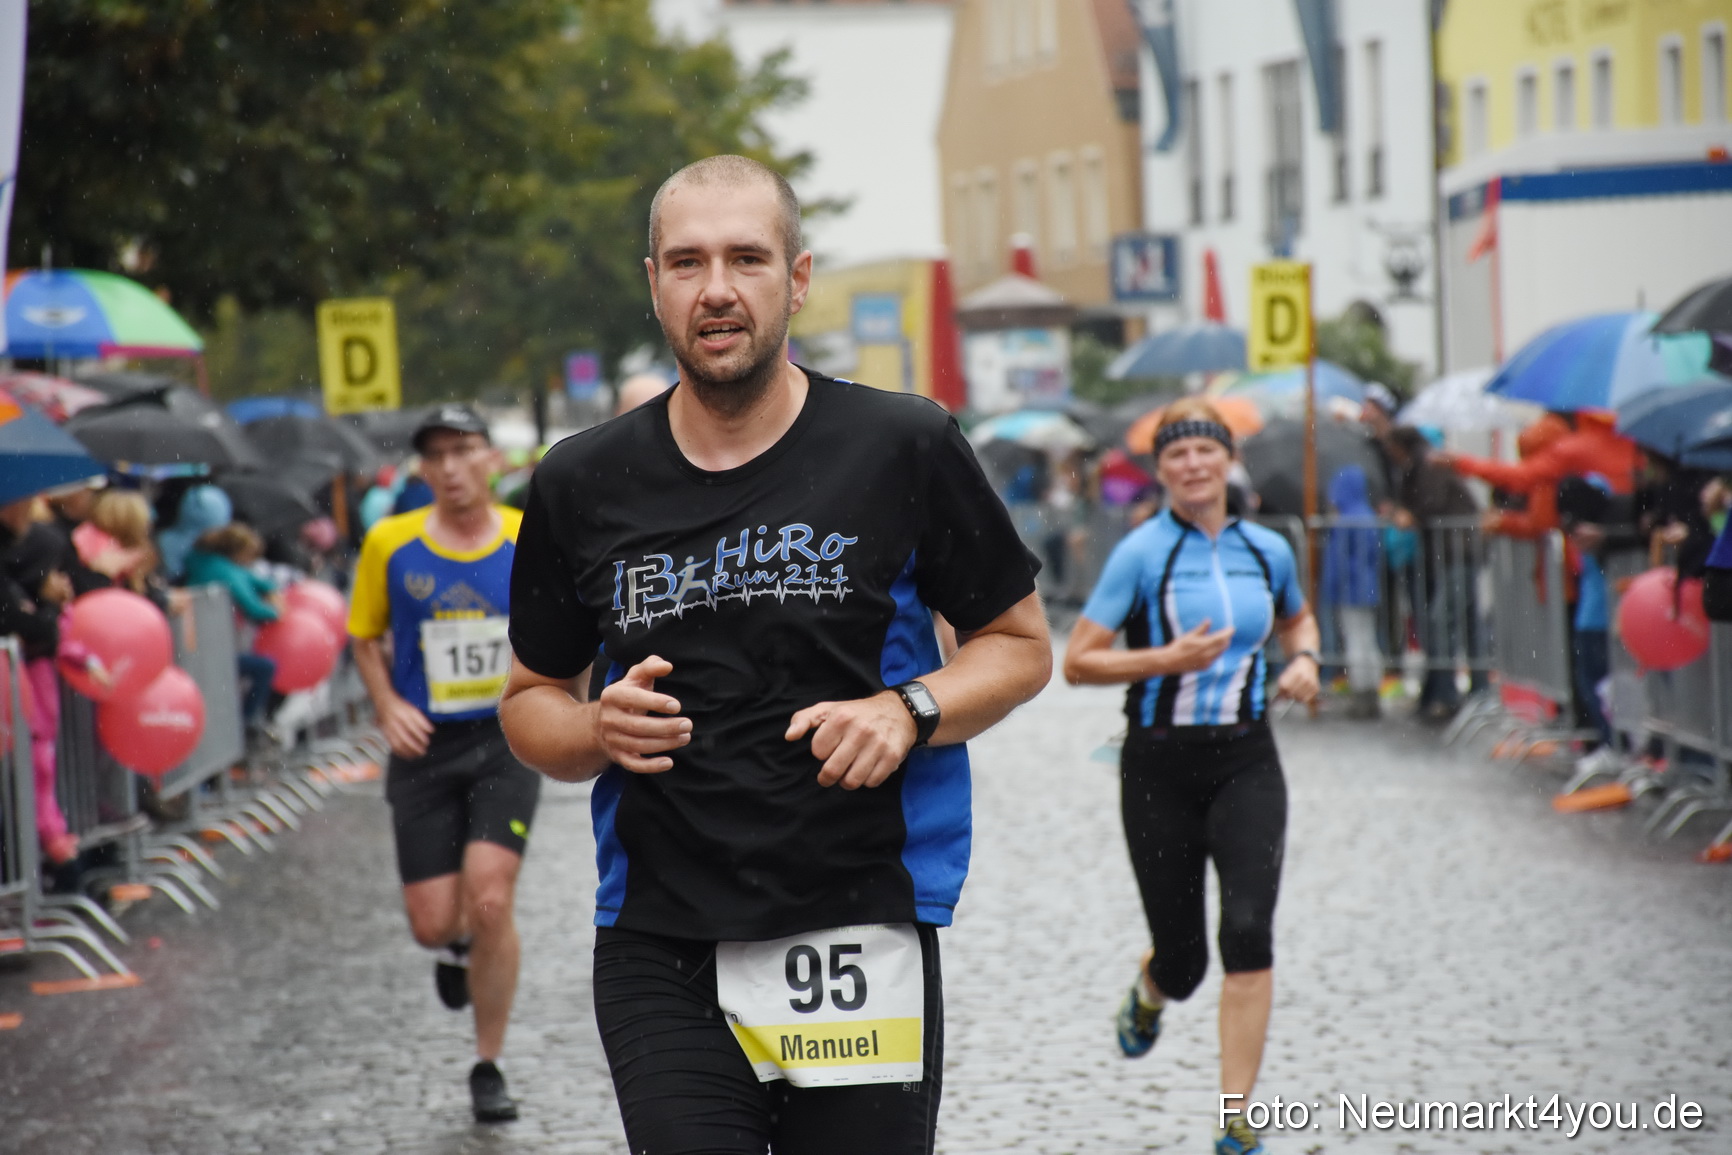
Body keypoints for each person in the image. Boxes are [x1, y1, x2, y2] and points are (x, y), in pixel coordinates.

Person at [498, 154, 1050, 1155]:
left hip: (858, 921)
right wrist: (592, 728)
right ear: (654, 284)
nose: (716, 288)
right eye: (687, 263)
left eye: (746, 259)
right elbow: (531, 699)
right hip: (661, 934)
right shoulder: (581, 479)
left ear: (796, 279)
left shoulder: (902, 443)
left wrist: (908, 711)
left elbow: (1016, 646)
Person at [1062, 398, 1321, 1155]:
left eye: (1207, 450)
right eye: (1178, 454)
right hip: (1158, 766)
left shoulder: (1267, 548)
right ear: (1162, 470)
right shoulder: (1141, 553)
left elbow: (1297, 618)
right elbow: (1079, 660)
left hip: (1247, 759)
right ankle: (1151, 988)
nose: (1194, 465)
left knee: (1247, 931)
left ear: (1229, 459)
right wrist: (1163, 659)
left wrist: (1305, 659)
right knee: (1184, 962)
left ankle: (1235, 1118)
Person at [348, 404, 540, 1124]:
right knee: (433, 923)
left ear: (493, 458)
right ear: (422, 469)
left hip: (504, 741)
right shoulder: (390, 542)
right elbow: (364, 635)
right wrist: (386, 706)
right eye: (437, 456)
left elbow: (564, 630)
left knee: (491, 896)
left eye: (464, 451)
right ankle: (455, 946)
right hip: (424, 746)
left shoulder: (528, 537)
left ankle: (488, 1064)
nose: (452, 468)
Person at [1386, 427, 1484, 718]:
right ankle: (1466, 692)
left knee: (1443, 621)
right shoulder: (1421, 464)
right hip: (1451, 552)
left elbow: (1432, 500)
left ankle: (1450, 694)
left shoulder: (1428, 464)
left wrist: (1411, 514)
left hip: (1457, 551)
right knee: (1461, 622)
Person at [183, 523, 282, 735]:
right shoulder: (224, 571)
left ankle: (240, 727)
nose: (251, 562)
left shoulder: (210, 563)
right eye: (250, 556)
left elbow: (257, 581)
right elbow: (253, 608)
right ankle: (243, 726)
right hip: (210, 650)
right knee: (265, 667)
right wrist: (276, 611)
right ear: (237, 552)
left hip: (202, 647)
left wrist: (272, 590)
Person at [1322, 464, 1384, 719]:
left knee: (1355, 641)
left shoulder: (1345, 520)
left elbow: (1338, 562)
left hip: (1351, 588)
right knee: (1367, 640)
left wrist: (1332, 588)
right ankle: (1371, 691)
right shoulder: (1367, 514)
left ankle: (1361, 693)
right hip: (1368, 586)